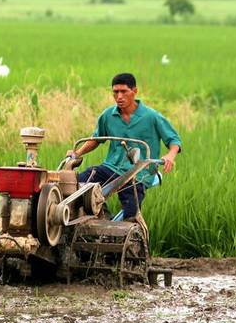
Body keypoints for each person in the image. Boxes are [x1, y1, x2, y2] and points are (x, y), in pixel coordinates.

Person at [67, 73, 182, 221]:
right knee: (78, 186)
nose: (119, 96)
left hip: (138, 173)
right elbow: (96, 139)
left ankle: (131, 235)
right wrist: (77, 153)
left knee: (131, 214)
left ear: (134, 91)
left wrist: (170, 156)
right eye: (115, 92)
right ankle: (102, 216)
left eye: (124, 91)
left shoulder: (151, 117)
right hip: (111, 167)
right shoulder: (108, 115)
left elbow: (174, 140)